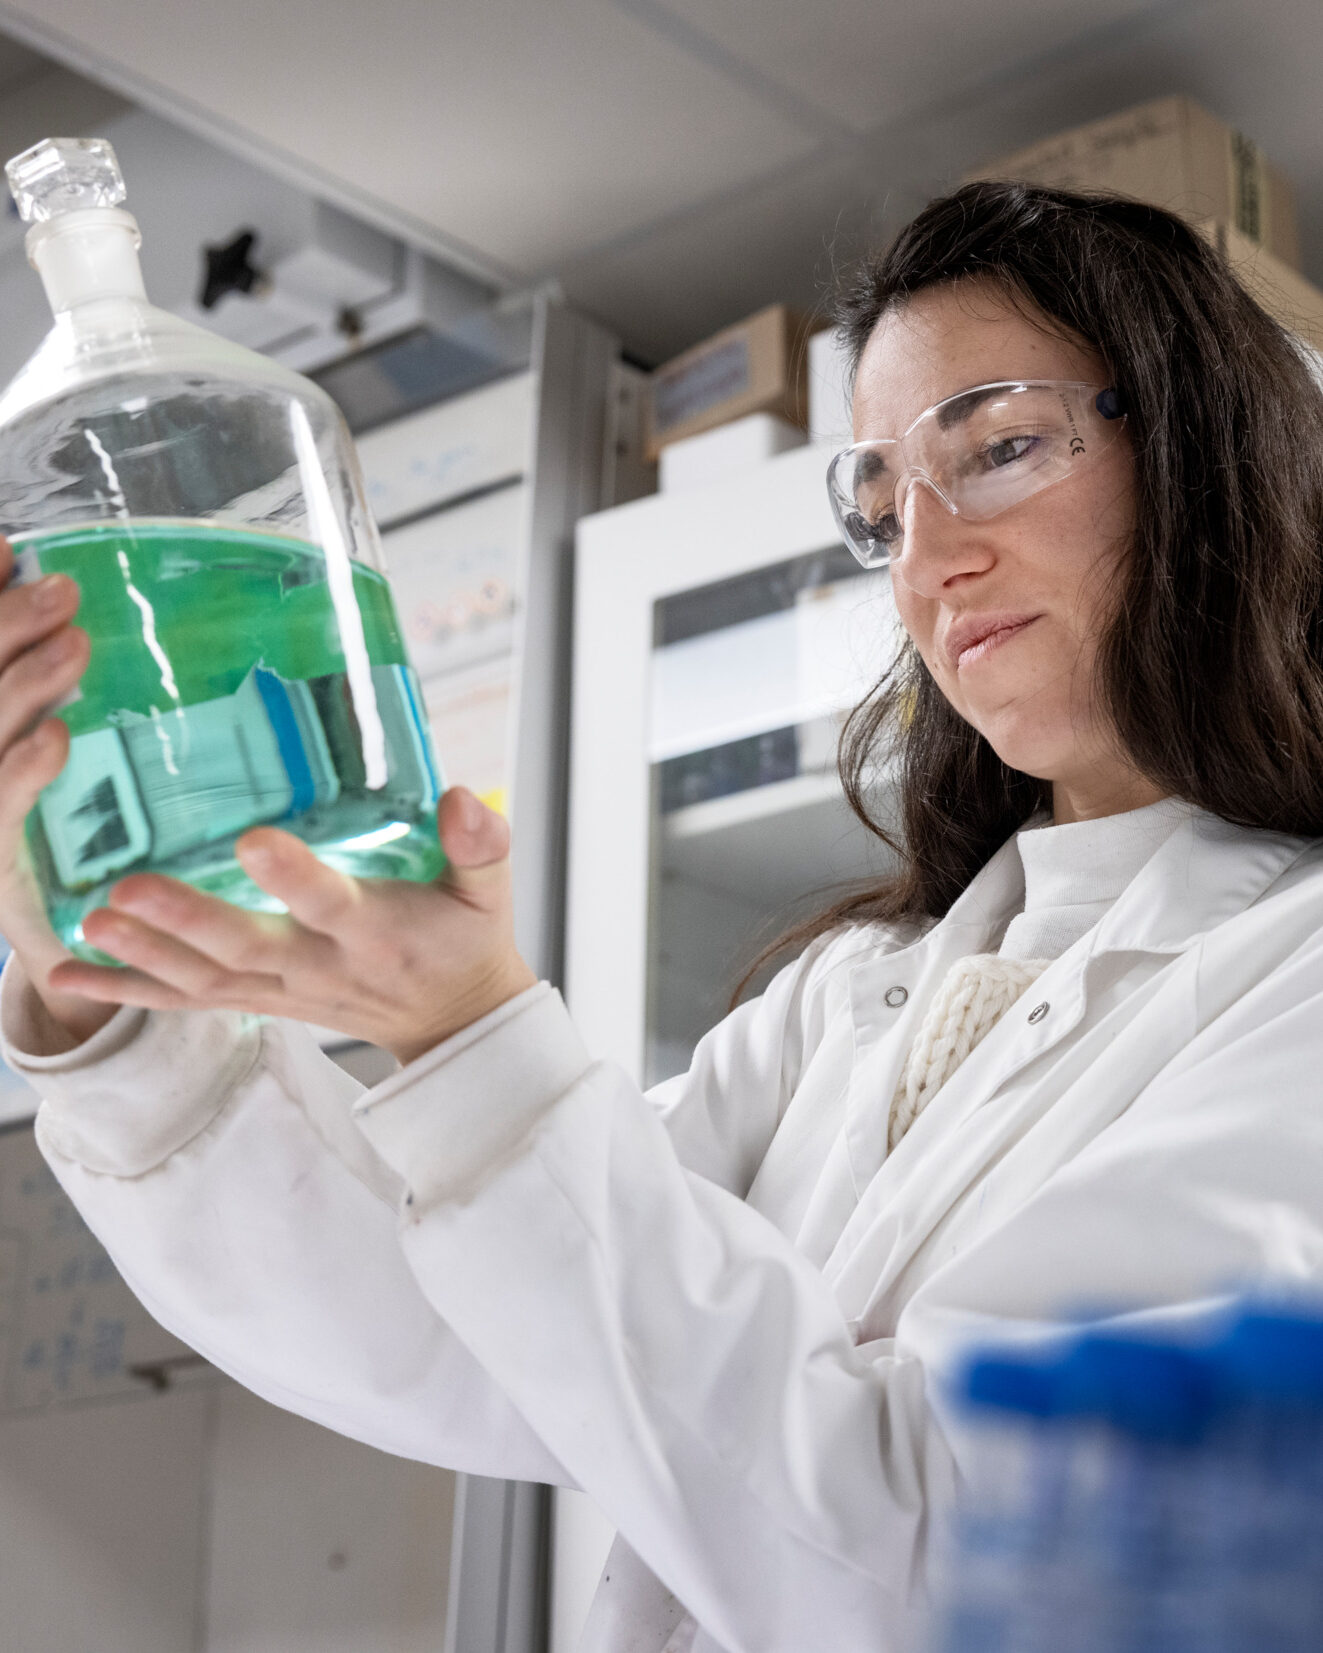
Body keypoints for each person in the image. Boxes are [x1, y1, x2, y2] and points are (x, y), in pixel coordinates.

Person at [2, 179, 1323, 1653]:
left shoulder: (1299, 983)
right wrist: (109, 1009)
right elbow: (464, 1323)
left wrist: (479, 1037)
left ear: (1206, 454)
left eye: (1001, 449)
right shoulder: (851, 1003)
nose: (931, 557)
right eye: (883, 508)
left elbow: (961, 1569)